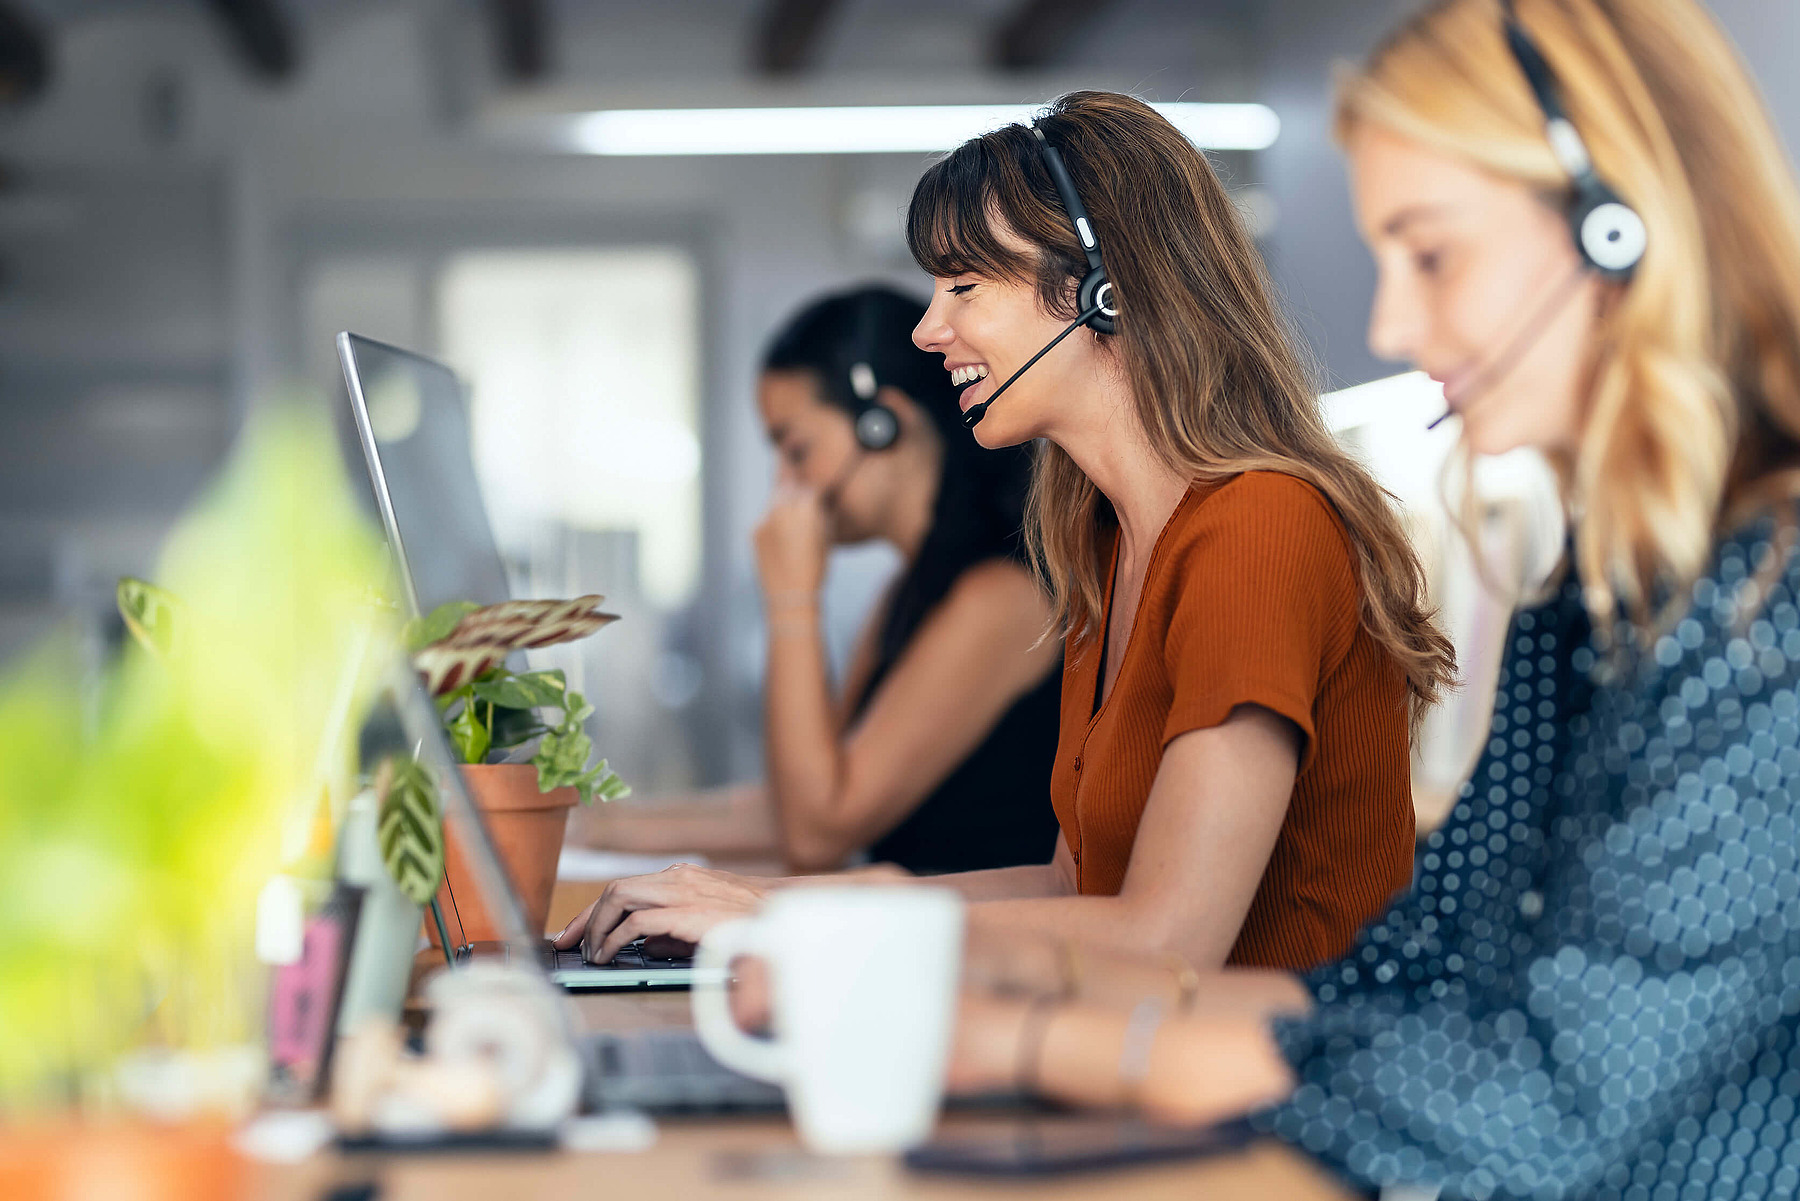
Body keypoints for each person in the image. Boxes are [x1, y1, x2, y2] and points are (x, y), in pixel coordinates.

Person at [944, 2, 1800, 1198]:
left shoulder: (1770, 616)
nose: (1393, 323)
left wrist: (1052, 1039)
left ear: (1620, 231)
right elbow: (1413, 975)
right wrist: (990, 995)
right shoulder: (1592, 601)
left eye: (1432, 252)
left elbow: (1551, 1095)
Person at [556, 92, 1455, 975]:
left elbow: (1166, 941)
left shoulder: (1260, 526)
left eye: (964, 285)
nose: (929, 327)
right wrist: (763, 901)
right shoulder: (1105, 549)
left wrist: (785, 922)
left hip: (1284, 1093)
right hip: (1138, 1061)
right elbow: (1072, 884)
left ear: (1102, 291)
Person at [571, 285, 1062, 875]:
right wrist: (595, 827)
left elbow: (816, 832)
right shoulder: (910, 593)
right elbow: (800, 798)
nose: (786, 485)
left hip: (969, 957)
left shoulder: (1002, 596)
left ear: (883, 424)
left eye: (797, 449)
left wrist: (792, 599)